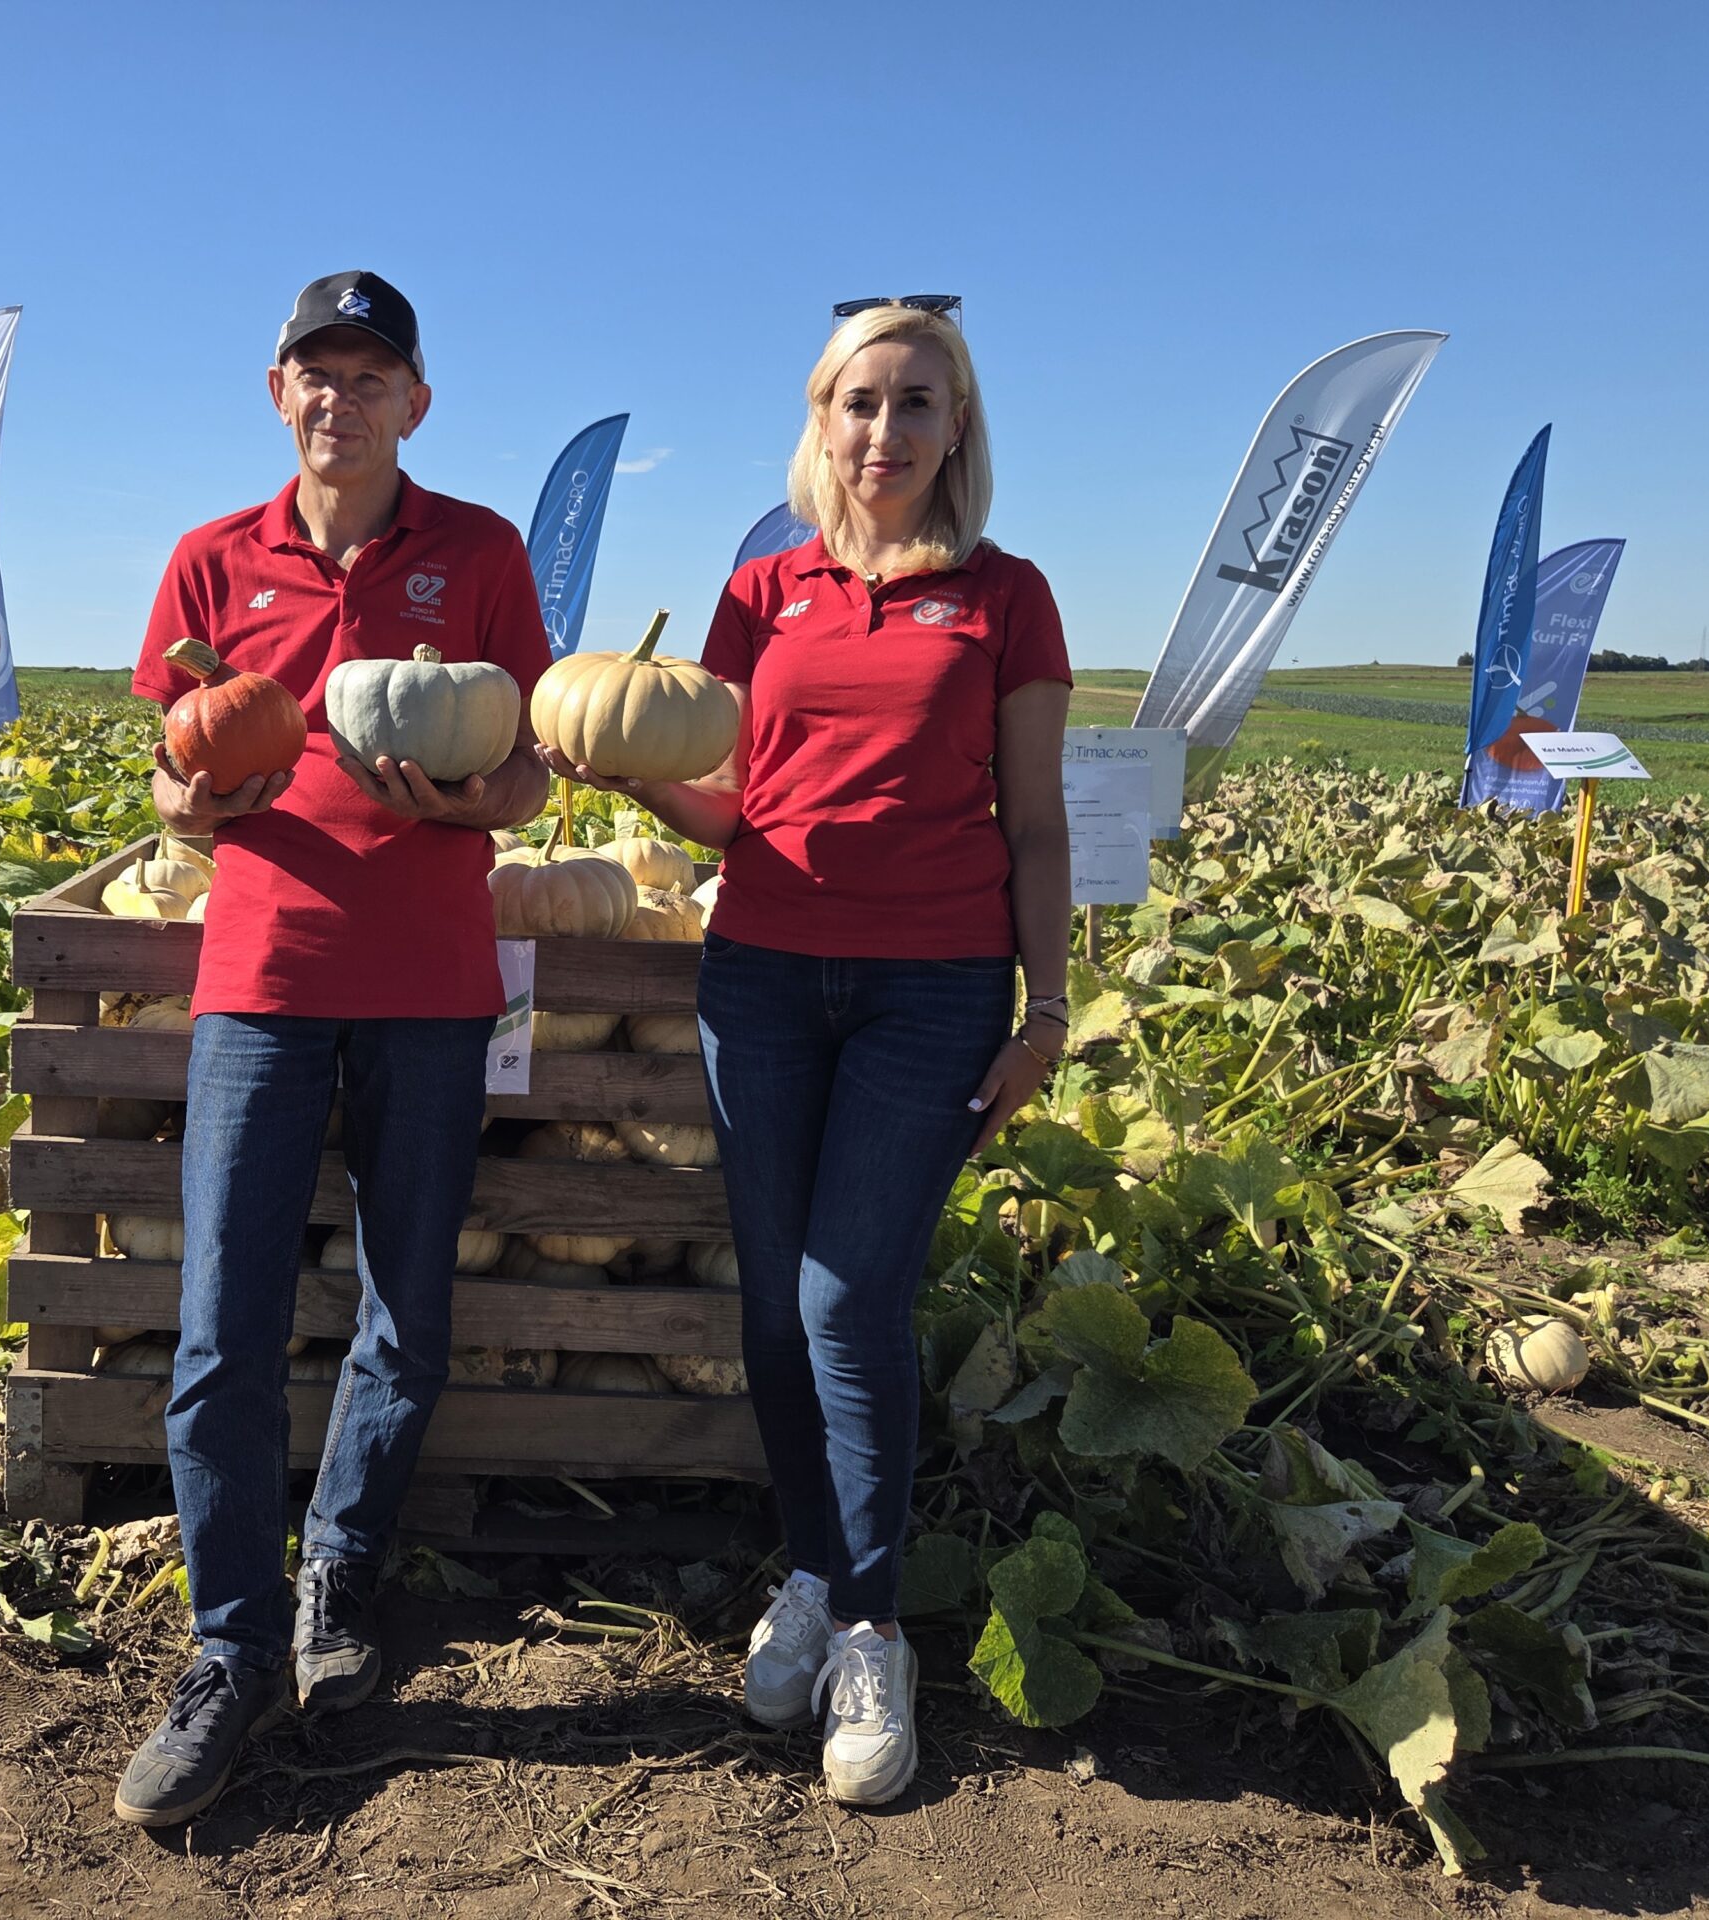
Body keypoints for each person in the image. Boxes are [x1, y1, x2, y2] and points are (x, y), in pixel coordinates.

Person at [540, 296, 1071, 1806]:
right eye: (859, 402)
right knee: (773, 1311)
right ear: (819, 420)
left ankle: (869, 1625)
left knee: (848, 1299)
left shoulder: (1007, 598)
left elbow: (1034, 826)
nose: (885, 431)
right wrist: (636, 782)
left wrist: (1047, 1010)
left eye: (916, 402)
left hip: (936, 995)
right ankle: (814, 1571)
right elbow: (734, 798)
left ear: (957, 425)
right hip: (762, 975)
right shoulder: (761, 589)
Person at [114, 270, 552, 1827]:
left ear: (414, 403)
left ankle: (340, 1580)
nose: (341, 397)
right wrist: (180, 802)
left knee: (405, 1311)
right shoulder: (210, 560)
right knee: (221, 1330)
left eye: (372, 376)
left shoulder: (482, 553)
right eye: (317, 371)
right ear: (278, 391)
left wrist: (472, 802)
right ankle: (228, 1647)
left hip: (435, 988)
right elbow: (173, 760)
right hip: (261, 978)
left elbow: (530, 779)